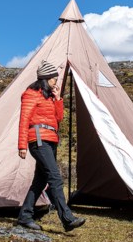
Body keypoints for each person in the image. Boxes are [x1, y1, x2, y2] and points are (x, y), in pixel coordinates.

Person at [17, 60, 85, 232]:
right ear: (46, 79)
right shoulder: (30, 94)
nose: (56, 82)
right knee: (55, 177)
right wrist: (22, 145)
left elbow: (59, 118)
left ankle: (25, 216)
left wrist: (57, 99)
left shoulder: (48, 96)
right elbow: (24, 119)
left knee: (40, 181)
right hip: (38, 140)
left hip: (51, 139)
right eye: (54, 79)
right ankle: (67, 219)